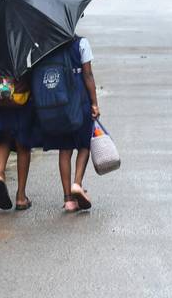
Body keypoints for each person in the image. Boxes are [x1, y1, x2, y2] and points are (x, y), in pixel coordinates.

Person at [42, 36, 100, 212]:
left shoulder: (49, 44)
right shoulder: (81, 43)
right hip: (80, 98)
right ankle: (77, 183)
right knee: (84, 144)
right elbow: (88, 74)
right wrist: (94, 103)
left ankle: (68, 199)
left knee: (65, 149)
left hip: (59, 100)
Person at [0, 77, 37, 211]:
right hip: (20, 93)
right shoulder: (25, 54)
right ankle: (21, 197)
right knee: (23, 144)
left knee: (3, 138)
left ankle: (0, 175)